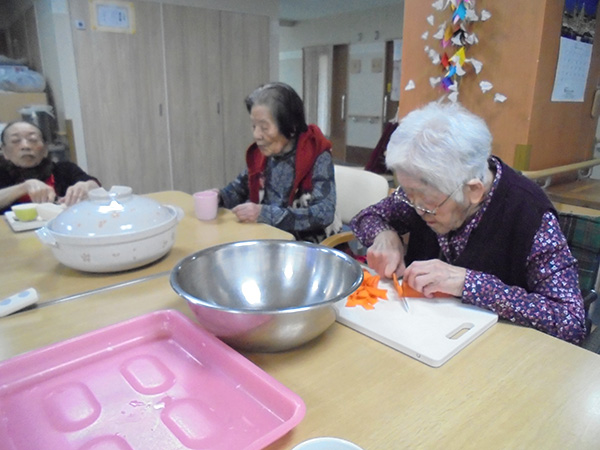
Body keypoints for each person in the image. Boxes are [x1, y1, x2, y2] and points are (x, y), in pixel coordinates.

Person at [350, 101, 586, 344]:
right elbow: (367, 217)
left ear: (474, 190)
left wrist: (470, 284)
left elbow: (571, 321)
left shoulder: (530, 215)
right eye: (409, 196)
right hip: (422, 335)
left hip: (498, 350)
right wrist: (384, 235)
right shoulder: (424, 191)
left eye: (428, 204)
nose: (418, 210)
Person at [218, 82, 339, 242]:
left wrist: (264, 214)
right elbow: (239, 188)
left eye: (264, 127)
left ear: (291, 126)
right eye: (254, 126)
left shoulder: (317, 155)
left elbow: (324, 213)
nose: (256, 135)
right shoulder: (262, 154)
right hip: (266, 235)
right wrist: (219, 197)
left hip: (305, 245)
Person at [0, 120, 101, 213]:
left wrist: (86, 186)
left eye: (33, 139)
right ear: (4, 152)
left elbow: (96, 186)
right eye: (15, 141)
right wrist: (24, 187)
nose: (25, 146)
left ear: (45, 149)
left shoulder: (65, 169)